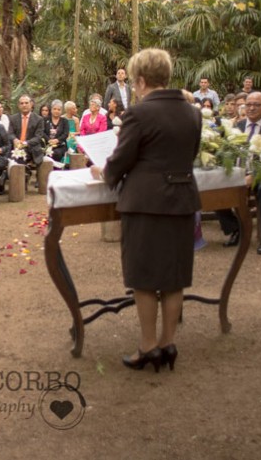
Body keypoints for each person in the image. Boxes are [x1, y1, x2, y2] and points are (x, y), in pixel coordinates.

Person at [91, 48, 201, 373]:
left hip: (145, 203)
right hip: (182, 199)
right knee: (173, 276)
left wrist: (104, 171)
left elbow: (122, 161)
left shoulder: (138, 114)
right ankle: (169, 343)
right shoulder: (193, 113)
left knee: (143, 277)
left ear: (139, 80)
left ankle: (148, 345)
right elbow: (189, 153)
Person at [218, 91, 261, 255]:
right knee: (214, 184)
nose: (250, 108)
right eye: (247, 105)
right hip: (238, 174)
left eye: (255, 105)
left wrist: (255, 175)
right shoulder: (237, 127)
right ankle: (235, 229)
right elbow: (227, 151)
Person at [7, 95, 46, 166]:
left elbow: (38, 137)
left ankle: (25, 171)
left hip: (31, 148)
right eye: (21, 103)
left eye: (26, 103)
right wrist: (15, 140)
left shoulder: (39, 119)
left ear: (31, 104)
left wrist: (25, 143)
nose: (24, 105)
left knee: (19, 158)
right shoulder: (13, 118)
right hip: (16, 148)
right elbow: (10, 133)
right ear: (18, 105)